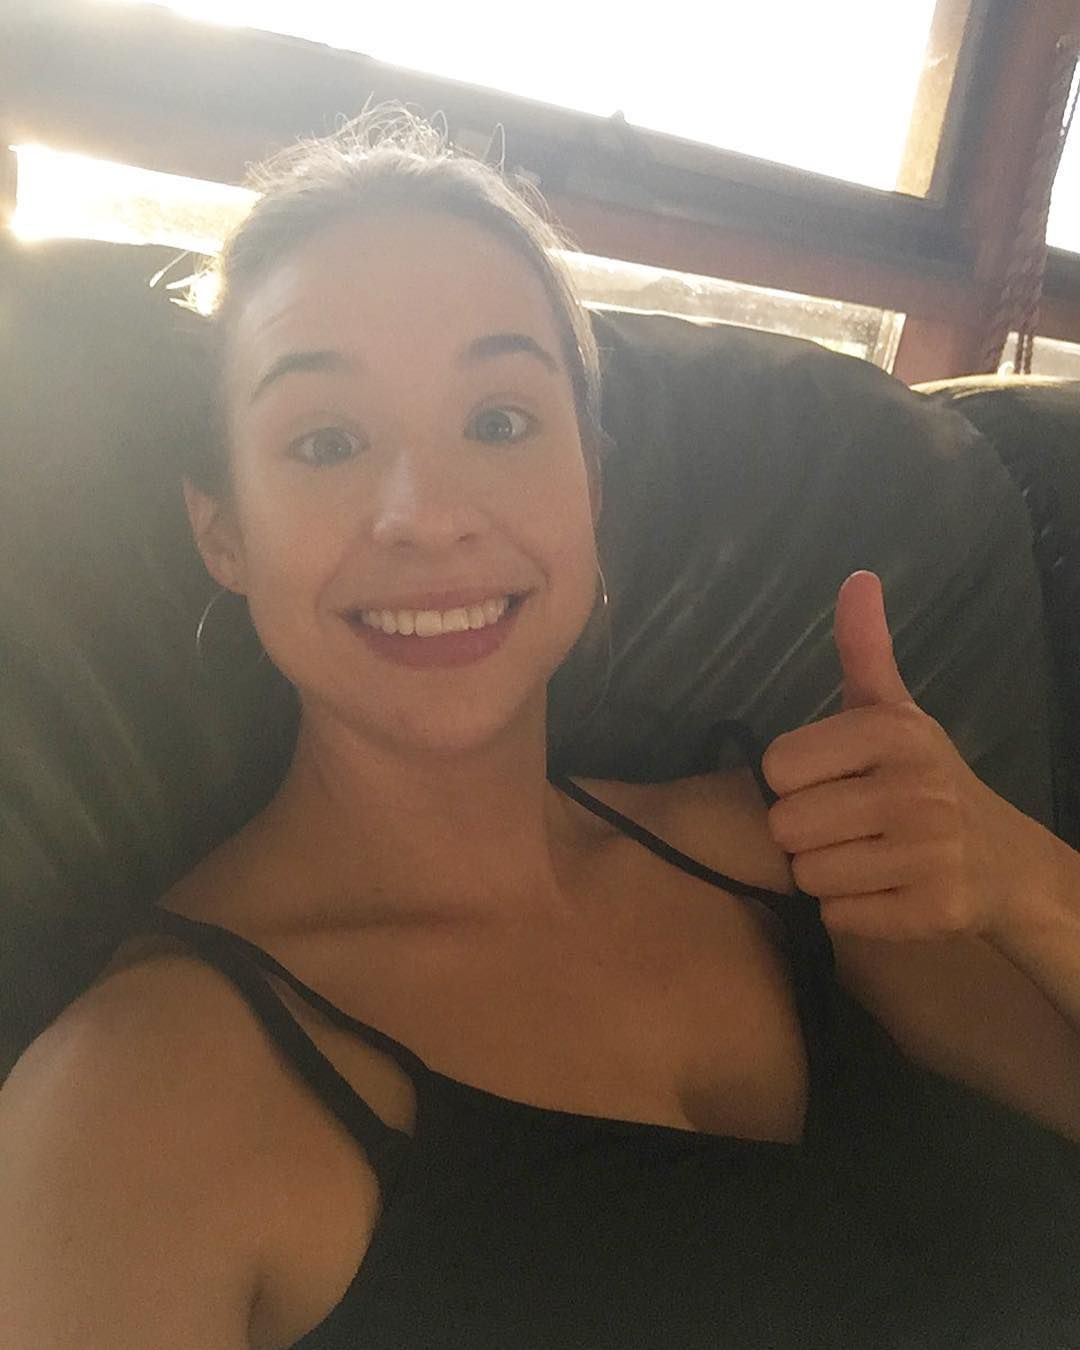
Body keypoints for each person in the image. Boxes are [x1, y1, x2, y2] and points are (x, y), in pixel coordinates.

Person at [2, 102, 1079, 1350]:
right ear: (223, 532)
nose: (427, 513)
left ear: (591, 485)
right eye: (328, 440)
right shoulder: (133, 1104)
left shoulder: (792, 844)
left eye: (501, 422)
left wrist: (1026, 879)